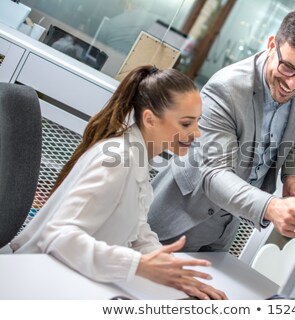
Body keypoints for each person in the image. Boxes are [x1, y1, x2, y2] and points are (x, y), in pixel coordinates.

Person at [10, 66, 226, 300]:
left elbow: (137, 229)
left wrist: (175, 272)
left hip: (68, 278)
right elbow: (59, 237)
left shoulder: (139, 157)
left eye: (197, 122)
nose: (197, 133)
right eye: (186, 124)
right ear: (150, 119)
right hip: (35, 284)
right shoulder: (118, 160)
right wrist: (137, 266)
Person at [147, 10, 295, 252]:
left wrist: (292, 176)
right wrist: (271, 207)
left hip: (228, 227)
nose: (293, 84)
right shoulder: (226, 89)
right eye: (287, 68)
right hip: (180, 218)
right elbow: (214, 175)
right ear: (271, 45)